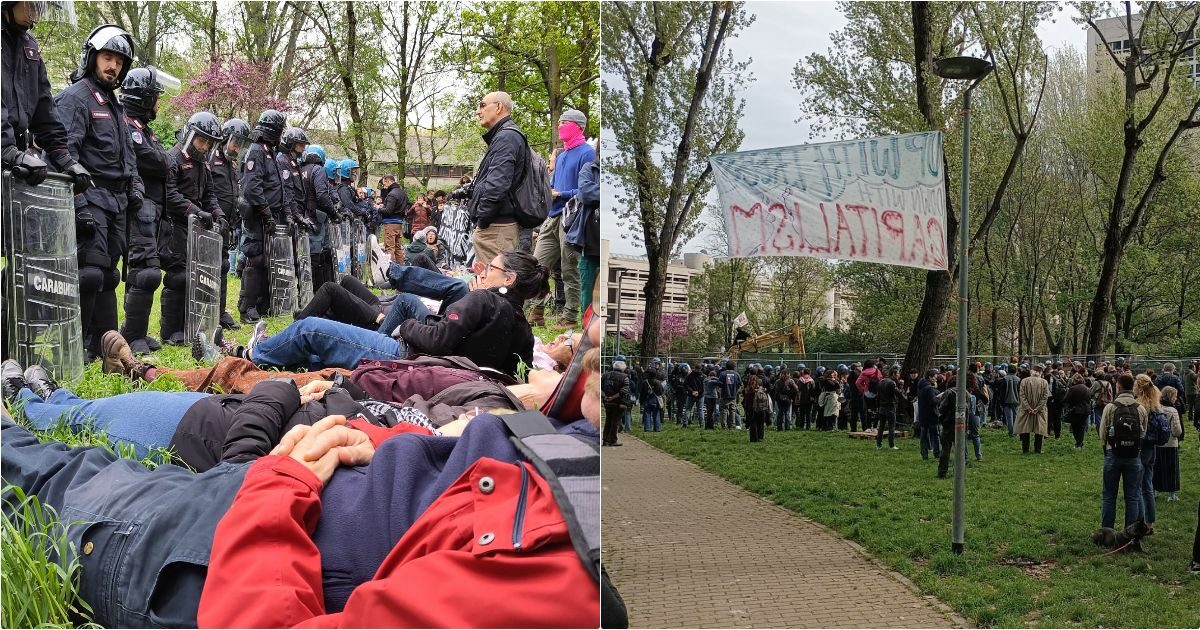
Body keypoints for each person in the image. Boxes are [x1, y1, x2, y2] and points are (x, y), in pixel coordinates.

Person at [1, 357, 602, 628]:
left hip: (237, 542)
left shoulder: (555, 579)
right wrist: (373, 432)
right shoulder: (578, 451)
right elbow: (447, 437)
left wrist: (276, 468)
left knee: (56, 479)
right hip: (277, 470)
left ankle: (41, 401)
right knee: (90, 458)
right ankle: (51, 398)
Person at [235, 251, 549, 377]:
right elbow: (517, 374)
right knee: (323, 344)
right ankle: (276, 355)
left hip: (409, 355)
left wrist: (409, 326)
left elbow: (438, 340)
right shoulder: (524, 329)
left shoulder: (483, 300)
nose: (481, 272)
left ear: (508, 279)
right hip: (439, 369)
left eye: (489, 267)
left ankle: (250, 353)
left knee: (313, 329)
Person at [53, 23, 142, 360]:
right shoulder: (76, 98)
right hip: (89, 197)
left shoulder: (115, 104)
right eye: (108, 58)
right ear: (92, 57)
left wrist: (134, 189)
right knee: (88, 274)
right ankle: (74, 350)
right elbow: (63, 153)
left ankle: (106, 351)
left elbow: (128, 157)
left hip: (117, 203)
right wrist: (78, 203)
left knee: (109, 276)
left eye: (119, 61)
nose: (113, 66)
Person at [113, 66, 168, 355]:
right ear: (144, 98)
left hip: (152, 208)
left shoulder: (142, 128)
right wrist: (163, 161)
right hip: (137, 205)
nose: (158, 102)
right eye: (155, 96)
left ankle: (137, 333)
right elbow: (155, 161)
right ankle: (131, 335)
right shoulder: (128, 125)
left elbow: (160, 159)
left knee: (142, 271)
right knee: (146, 272)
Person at [161, 112, 225, 345]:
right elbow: (170, 194)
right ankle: (170, 331)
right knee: (178, 277)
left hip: (199, 229)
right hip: (176, 226)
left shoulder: (203, 164)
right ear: (191, 135)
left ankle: (191, 324)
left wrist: (218, 214)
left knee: (196, 277)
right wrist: (194, 211)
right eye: (202, 140)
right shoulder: (173, 158)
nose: (205, 145)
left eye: (209, 142)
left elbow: (210, 194)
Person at [532, 110, 594, 328]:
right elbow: (554, 183)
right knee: (537, 265)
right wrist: (549, 190)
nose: (559, 126)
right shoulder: (563, 154)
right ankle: (536, 311)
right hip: (553, 215)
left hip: (572, 218)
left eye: (564, 123)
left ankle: (569, 317)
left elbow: (586, 189)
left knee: (569, 269)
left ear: (578, 126)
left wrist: (562, 194)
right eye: (558, 122)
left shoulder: (587, 153)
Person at [237, 109, 289, 323]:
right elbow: (252, 187)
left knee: (268, 260)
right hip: (258, 215)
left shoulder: (269, 152)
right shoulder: (257, 150)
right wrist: (266, 214)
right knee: (255, 258)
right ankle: (246, 307)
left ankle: (261, 304)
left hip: (270, 214)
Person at [469, 91, 525, 268]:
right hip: (497, 225)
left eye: (482, 105)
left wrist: (483, 219)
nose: (478, 111)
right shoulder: (505, 136)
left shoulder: (507, 137)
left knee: (496, 287)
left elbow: (497, 184)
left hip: (496, 228)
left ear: (499, 107)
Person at [210, 117, 250, 330]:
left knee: (224, 266)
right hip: (210, 223)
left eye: (241, 144)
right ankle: (207, 311)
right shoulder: (210, 158)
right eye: (235, 142)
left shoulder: (232, 164)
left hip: (227, 224)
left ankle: (220, 311)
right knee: (210, 267)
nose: (237, 147)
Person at [1099, 372, 1147, 530]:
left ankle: (1107, 531)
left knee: (1109, 495)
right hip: (1134, 455)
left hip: (1113, 453)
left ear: (1118, 386)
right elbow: (1143, 432)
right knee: (1132, 496)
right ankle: (1130, 533)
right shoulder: (1140, 409)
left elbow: (1102, 433)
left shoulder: (1111, 407)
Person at [1133, 374, 1162, 531]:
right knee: (1148, 485)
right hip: (1152, 447)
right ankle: (1150, 521)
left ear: (1139, 387)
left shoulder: (1140, 406)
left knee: (1137, 484)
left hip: (1142, 446)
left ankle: (1140, 521)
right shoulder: (1155, 403)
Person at [1154, 386, 1183, 503]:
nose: (1176, 399)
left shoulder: (1155, 408)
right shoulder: (1172, 411)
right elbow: (1177, 430)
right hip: (1170, 443)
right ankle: (1171, 494)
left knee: (1156, 469)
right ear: (1171, 397)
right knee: (1171, 469)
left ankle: (1154, 491)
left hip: (1156, 443)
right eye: (1175, 396)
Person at [1017, 364, 1050, 454]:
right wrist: (1037, 408)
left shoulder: (1024, 381)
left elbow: (1022, 396)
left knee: (1025, 429)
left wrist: (1028, 408)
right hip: (1040, 410)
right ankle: (1038, 449)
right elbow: (1045, 397)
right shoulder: (1044, 382)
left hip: (1025, 410)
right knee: (1039, 429)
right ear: (1040, 372)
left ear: (1032, 371)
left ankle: (1025, 449)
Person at [378, 173, 408, 263]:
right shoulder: (403, 193)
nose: (384, 186)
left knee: (390, 248)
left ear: (388, 181)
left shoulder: (391, 194)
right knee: (398, 248)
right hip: (399, 223)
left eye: (384, 184)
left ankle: (392, 271)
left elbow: (388, 211)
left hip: (390, 223)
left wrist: (378, 209)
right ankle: (401, 268)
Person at [601, 356, 630, 446]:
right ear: (623, 368)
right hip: (619, 403)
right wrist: (613, 397)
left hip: (607, 402)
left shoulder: (605, 375)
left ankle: (605, 439)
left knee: (608, 420)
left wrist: (606, 397)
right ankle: (613, 440)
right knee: (615, 421)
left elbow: (600, 388)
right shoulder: (625, 377)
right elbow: (623, 391)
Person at [876, 367, 903, 450]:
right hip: (890, 406)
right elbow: (899, 393)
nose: (899, 375)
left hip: (882, 406)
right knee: (891, 426)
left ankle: (878, 444)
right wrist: (901, 386)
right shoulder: (892, 383)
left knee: (881, 426)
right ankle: (891, 445)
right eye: (898, 373)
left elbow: (878, 395)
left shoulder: (882, 381)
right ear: (893, 374)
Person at [1064, 373, 1092, 449]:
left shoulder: (1073, 388)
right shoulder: (1087, 388)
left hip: (1075, 409)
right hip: (1086, 409)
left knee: (1075, 427)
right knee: (1082, 427)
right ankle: (1080, 443)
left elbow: (1066, 399)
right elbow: (1089, 398)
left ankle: (1078, 443)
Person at [718, 360, 741, 429]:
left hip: (725, 395)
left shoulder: (722, 374)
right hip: (733, 395)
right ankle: (732, 425)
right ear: (734, 367)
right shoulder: (736, 374)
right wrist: (736, 391)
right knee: (732, 411)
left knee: (724, 411)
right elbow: (739, 384)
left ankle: (724, 426)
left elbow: (720, 384)